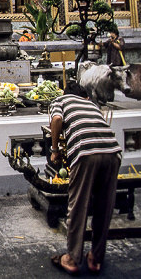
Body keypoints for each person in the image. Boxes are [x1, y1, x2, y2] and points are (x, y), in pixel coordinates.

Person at [49, 80, 122, 275]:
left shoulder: (60, 100)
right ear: (86, 97)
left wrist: (55, 149)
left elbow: (56, 120)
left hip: (85, 153)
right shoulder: (92, 104)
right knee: (104, 207)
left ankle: (72, 258)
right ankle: (96, 258)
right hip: (112, 152)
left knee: (78, 205)